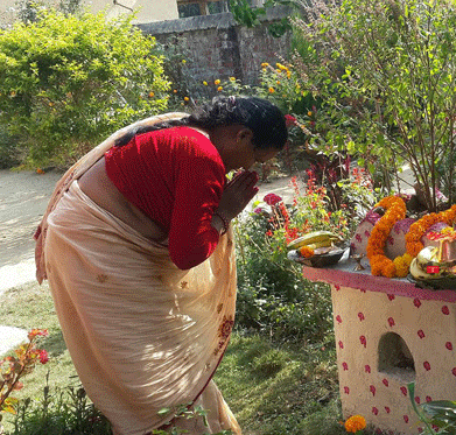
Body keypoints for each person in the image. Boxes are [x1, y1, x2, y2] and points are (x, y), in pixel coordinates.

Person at [33, 96, 288, 435]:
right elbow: (186, 253)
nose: (249, 168)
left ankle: (208, 425)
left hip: (98, 244)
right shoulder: (201, 155)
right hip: (93, 249)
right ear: (242, 136)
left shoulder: (190, 133)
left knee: (171, 350)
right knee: (147, 370)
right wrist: (224, 213)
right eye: (256, 158)